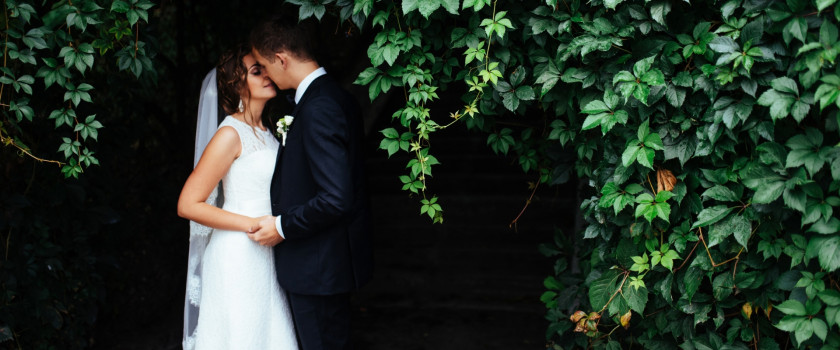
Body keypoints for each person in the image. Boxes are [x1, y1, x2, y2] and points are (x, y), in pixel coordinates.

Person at [247, 16, 374, 350]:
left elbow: (336, 198)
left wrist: (282, 226)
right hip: (325, 265)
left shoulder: (319, 107)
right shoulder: (336, 97)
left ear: (282, 59)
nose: (265, 73)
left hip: (318, 268)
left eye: (263, 65)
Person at [177, 44, 298, 350]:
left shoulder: (267, 130)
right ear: (237, 84)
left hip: (267, 248)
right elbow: (188, 204)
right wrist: (253, 224)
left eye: (265, 69)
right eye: (256, 72)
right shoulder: (229, 134)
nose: (266, 75)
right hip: (238, 253)